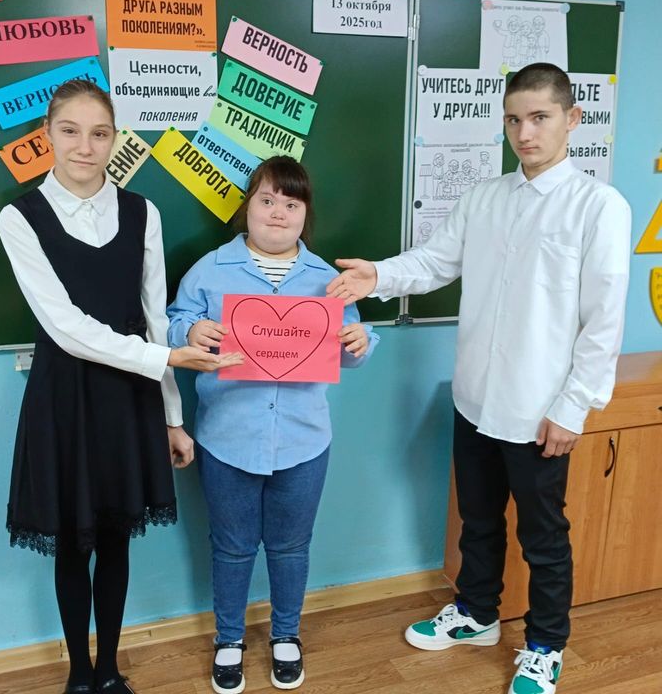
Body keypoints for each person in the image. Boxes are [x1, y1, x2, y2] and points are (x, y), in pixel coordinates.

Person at [327, 63, 631, 694]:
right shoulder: (484, 198)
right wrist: (378, 276)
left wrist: (574, 407)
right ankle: (476, 613)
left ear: (573, 119)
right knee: (478, 518)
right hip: (474, 398)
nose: (525, 133)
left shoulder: (599, 207)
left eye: (540, 117)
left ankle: (545, 645)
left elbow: (604, 321)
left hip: (539, 409)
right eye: (514, 119)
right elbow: (435, 262)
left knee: (543, 535)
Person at [0, 79, 242, 694]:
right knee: (72, 542)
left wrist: (172, 418)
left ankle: (108, 672)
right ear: (48, 135)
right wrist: (165, 356)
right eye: (70, 131)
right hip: (66, 398)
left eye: (99, 133)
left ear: (114, 139)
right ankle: (78, 677)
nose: (85, 146)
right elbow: (66, 327)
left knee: (115, 539)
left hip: (131, 396)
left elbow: (154, 315)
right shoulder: (19, 217)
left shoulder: (141, 212)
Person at [167, 157, 378, 693]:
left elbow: (350, 346)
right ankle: (229, 638)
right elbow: (174, 321)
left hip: (304, 439)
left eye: (291, 203)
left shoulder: (327, 279)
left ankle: (286, 633)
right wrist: (191, 330)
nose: (278, 213)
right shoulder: (210, 269)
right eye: (266, 201)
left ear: (306, 213)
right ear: (247, 208)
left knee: (291, 546)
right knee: (231, 546)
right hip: (227, 437)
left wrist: (361, 343)